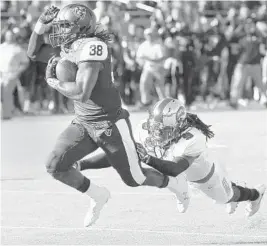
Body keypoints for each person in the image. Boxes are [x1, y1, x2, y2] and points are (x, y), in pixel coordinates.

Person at [27, 5, 183, 227]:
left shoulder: (94, 47)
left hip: (109, 122)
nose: (59, 30)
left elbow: (82, 92)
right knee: (55, 165)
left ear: (81, 28)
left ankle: (173, 183)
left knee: (135, 179)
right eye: (59, 25)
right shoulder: (69, 46)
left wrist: (54, 82)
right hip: (83, 123)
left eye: (64, 25)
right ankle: (98, 194)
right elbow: (33, 53)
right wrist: (40, 24)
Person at [76, 98, 266, 217]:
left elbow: (175, 169)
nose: (156, 133)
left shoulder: (193, 138)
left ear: (179, 126)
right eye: (155, 127)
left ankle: (255, 194)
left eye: (163, 129)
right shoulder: (147, 129)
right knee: (132, 161)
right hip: (178, 173)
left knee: (226, 197)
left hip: (203, 177)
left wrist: (148, 159)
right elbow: (120, 153)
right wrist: (81, 164)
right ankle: (183, 191)